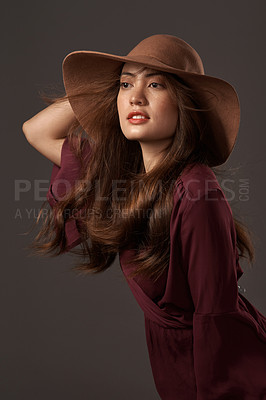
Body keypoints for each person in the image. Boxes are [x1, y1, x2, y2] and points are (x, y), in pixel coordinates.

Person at [22, 34, 266, 399]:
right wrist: (101, 91)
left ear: (186, 103)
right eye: (125, 84)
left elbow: (215, 318)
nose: (135, 97)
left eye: (155, 83)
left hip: (221, 373)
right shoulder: (123, 177)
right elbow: (36, 130)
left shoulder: (197, 189)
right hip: (177, 366)